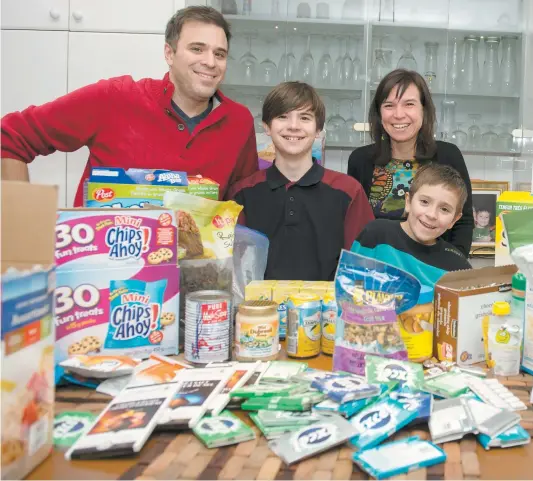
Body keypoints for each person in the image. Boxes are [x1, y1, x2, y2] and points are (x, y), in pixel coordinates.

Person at [1, 6, 257, 206]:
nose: (210, 62)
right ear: (169, 53)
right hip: (102, 266)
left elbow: (243, 202)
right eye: (197, 49)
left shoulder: (239, 121)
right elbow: (11, 137)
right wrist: (25, 232)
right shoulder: (115, 98)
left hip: (198, 271)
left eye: (220, 54)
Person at [228, 82, 374, 281]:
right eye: (282, 117)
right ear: (266, 127)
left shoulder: (349, 192)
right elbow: (235, 271)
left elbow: (363, 269)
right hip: (261, 310)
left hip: (328, 310)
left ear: (318, 130)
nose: (294, 126)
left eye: (305, 118)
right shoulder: (241, 194)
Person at [347, 69, 474, 257]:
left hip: (432, 271)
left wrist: (452, 268)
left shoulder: (448, 155)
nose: (399, 114)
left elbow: (462, 222)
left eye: (409, 104)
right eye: (389, 105)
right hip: (376, 272)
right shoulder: (360, 160)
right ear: (379, 113)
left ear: (424, 109)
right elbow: (355, 225)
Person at [353, 163, 471, 272]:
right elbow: (348, 284)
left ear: (454, 220)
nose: (431, 215)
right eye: (424, 202)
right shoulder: (375, 234)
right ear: (408, 202)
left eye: (444, 209)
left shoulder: (458, 266)